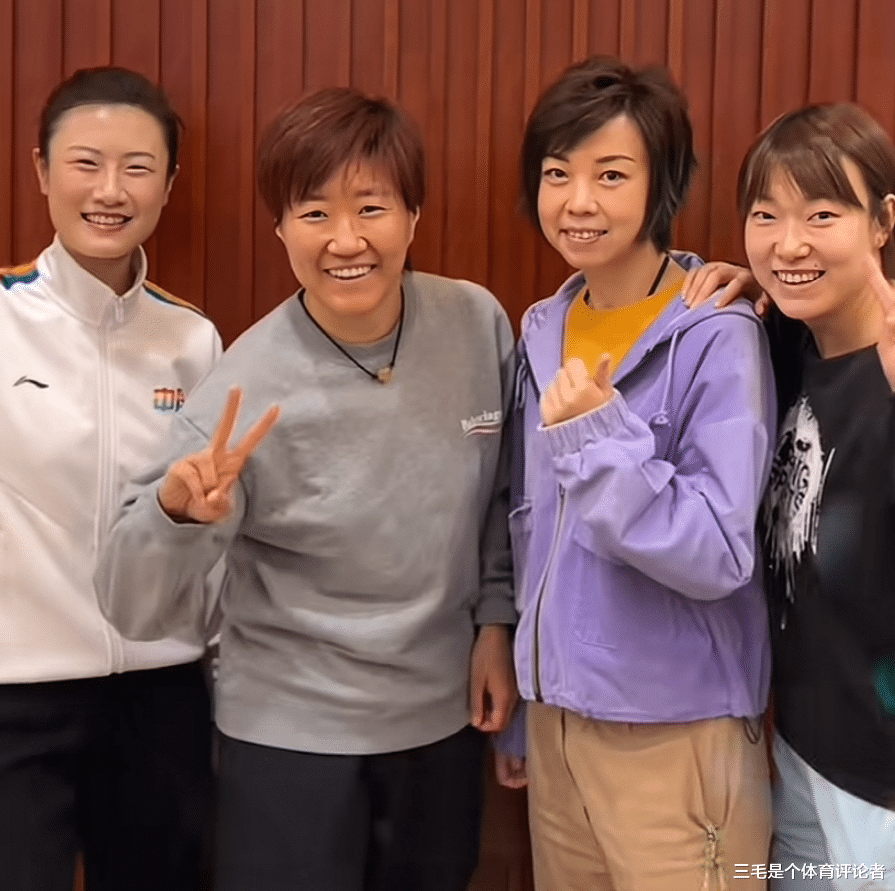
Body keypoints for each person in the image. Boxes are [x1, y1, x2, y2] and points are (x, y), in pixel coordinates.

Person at [95, 86, 518, 891]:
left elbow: (504, 493)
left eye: (372, 208)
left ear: (414, 216)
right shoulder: (243, 386)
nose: (345, 239)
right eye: (315, 213)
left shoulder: (475, 324)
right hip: (287, 736)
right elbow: (132, 604)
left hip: (443, 719)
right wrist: (176, 513)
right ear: (281, 229)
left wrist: (495, 622)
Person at [495, 55, 777, 890]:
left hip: (675, 731)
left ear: (662, 184)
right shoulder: (542, 327)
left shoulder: (716, 332)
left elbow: (717, 550)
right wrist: (528, 704)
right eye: (557, 173)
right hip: (556, 724)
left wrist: (597, 438)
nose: (578, 201)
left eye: (610, 174)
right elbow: (531, 526)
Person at [0, 67, 221, 891]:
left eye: (137, 167)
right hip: (17, 691)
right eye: (85, 163)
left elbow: (215, 531)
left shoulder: (193, 340)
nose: (109, 190)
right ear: (41, 171)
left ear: (169, 182)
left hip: (160, 693)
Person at [684, 103, 895, 889]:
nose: (789, 242)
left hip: (880, 785)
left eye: (821, 215)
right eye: (765, 215)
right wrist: (755, 288)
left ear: (882, 222)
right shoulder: (781, 344)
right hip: (797, 748)